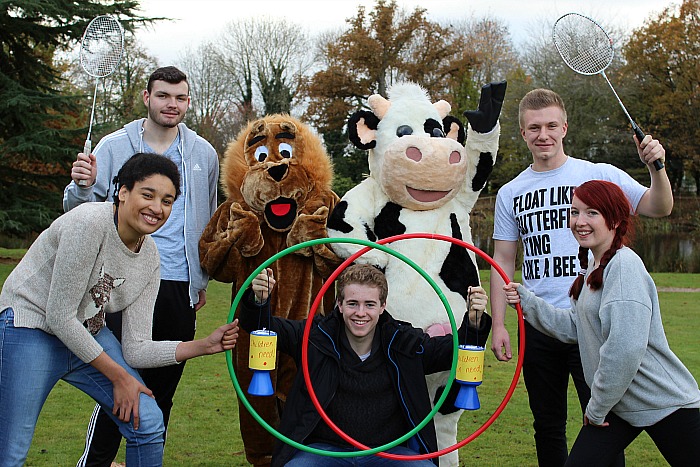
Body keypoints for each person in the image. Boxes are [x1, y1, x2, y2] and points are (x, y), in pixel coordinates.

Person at [0, 153, 238, 467]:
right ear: (123, 192)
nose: (157, 208)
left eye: (167, 201)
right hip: (31, 327)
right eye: (148, 195)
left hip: (86, 331)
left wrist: (203, 345)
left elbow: (136, 348)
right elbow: (58, 315)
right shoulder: (88, 224)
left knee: (148, 423)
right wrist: (119, 378)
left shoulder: (150, 257)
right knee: (11, 453)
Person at [489, 88, 673, 466]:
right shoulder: (510, 192)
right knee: (548, 425)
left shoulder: (596, 175)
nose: (544, 134)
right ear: (522, 132)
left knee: (604, 422)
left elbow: (659, 206)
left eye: (552, 125)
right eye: (534, 127)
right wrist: (499, 325)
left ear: (565, 127)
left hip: (590, 322)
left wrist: (657, 166)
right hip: (538, 324)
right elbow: (503, 259)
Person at [63, 66, 219, 465]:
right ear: (146, 98)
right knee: (120, 387)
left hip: (177, 286)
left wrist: (198, 278)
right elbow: (78, 213)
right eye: (164, 95)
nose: (173, 104)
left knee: (161, 392)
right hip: (120, 282)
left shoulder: (203, 153)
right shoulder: (113, 146)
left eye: (181, 97)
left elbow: (207, 219)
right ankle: (94, 462)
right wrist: (80, 186)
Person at [503, 179, 700, 466]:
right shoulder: (594, 266)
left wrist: (596, 407)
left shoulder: (623, 267)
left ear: (616, 220)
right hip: (620, 404)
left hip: (662, 402)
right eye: (575, 211)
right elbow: (575, 327)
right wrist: (527, 302)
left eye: (592, 212)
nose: (579, 221)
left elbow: (624, 350)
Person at [239, 264, 491, 466]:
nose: (361, 313)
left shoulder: (402, 341)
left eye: (370, 304)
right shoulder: (313, 336)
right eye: (352, 303)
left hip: (389, 453)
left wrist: (474, 323)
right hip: (324, 451)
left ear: (383, 307)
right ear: (339, 304)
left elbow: (452, 350)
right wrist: (258, 300)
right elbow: (262, 326)